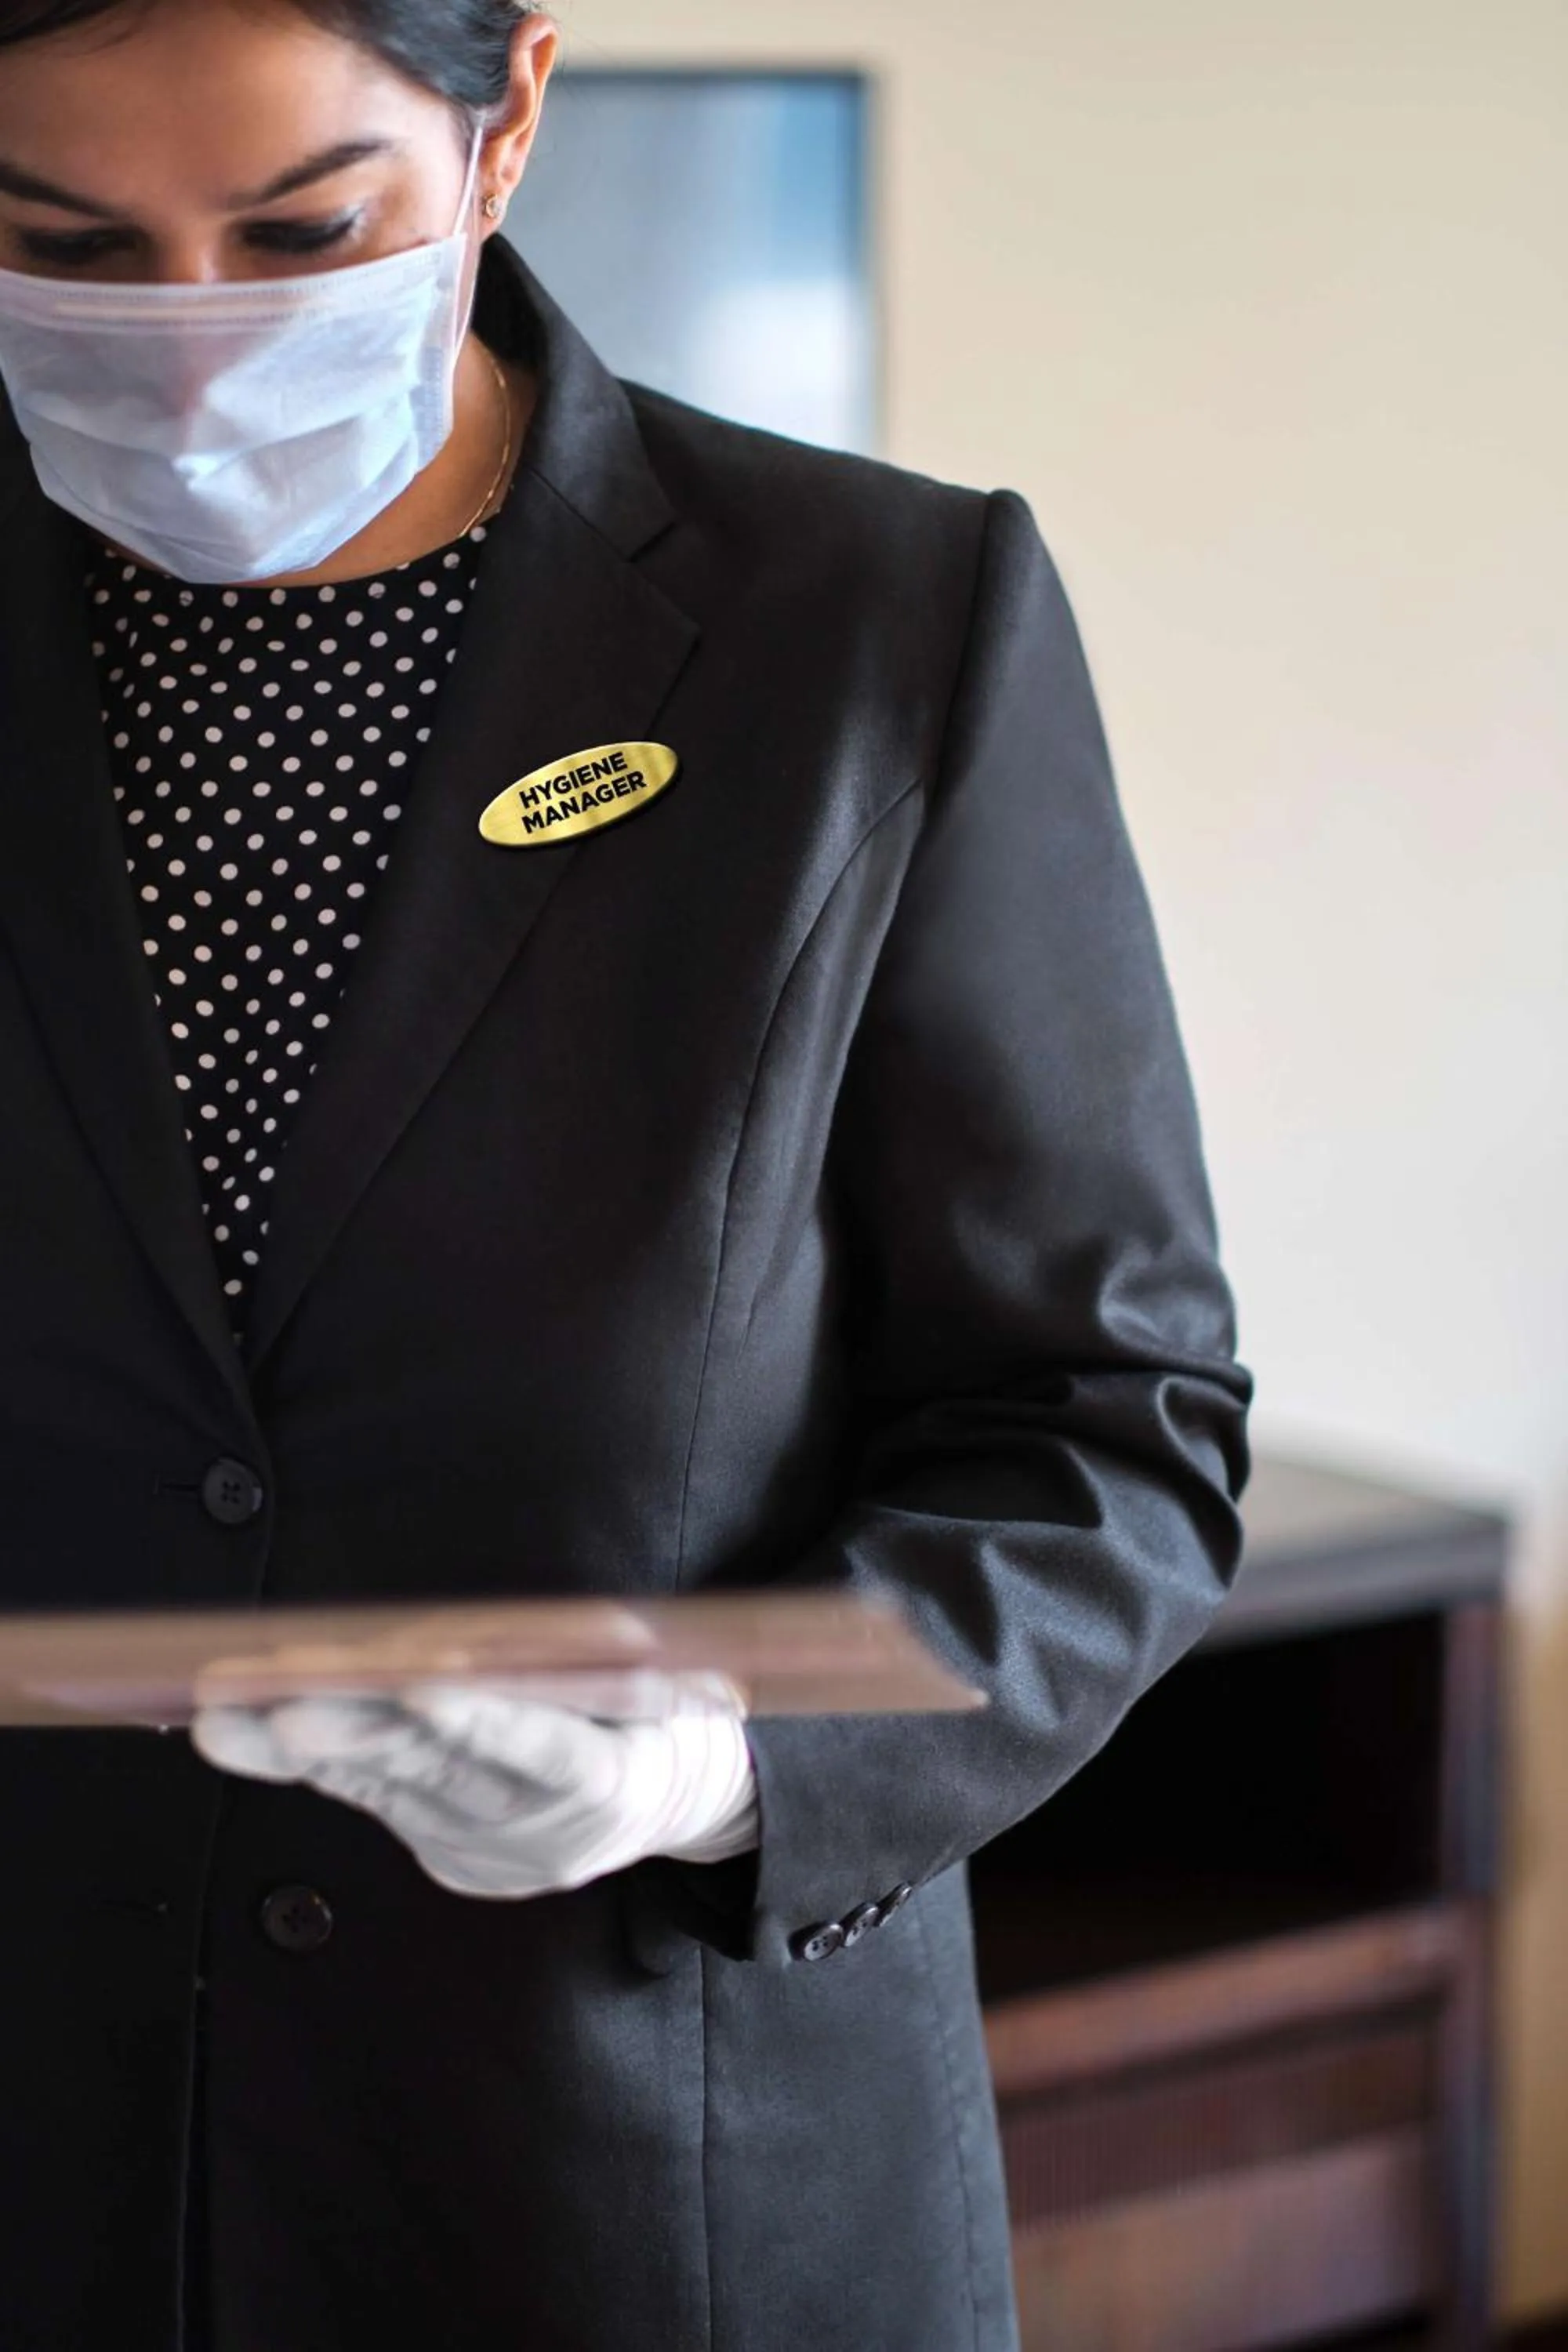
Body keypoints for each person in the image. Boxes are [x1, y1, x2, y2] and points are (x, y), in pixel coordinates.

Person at [0, 2, 1252, 2346]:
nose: (190, 348)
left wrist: (723, 1757)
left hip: (640, 2192)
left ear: (507, 119)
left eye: (303, 231)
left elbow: (1108, 1435)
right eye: (64, 247)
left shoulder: (873, 628)